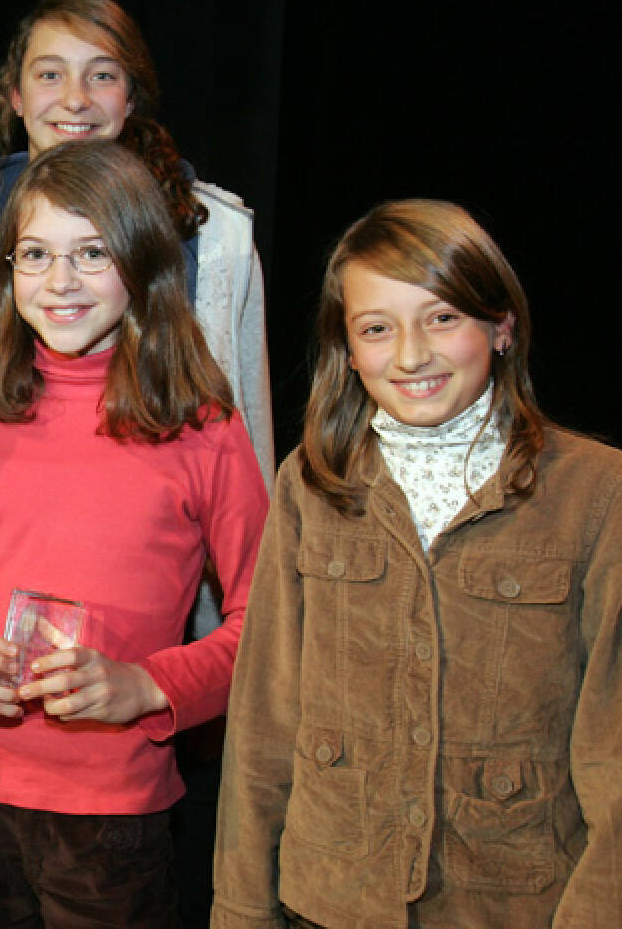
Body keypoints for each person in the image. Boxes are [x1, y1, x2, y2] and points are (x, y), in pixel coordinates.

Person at [211, 201, 622, 927]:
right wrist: (241, 910)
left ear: (501, 326)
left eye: (442, 319)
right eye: (377, 329)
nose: (410, 356)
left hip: (513, 906)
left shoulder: (597, 491)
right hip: (328, 902)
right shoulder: (311, 482)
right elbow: (263, 725)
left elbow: (611, 754)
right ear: (347, 348)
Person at [0, 141, 269, 928]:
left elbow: (268, 626)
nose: (60, 281)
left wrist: (149, 687)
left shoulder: (206, 434)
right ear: (8, 270)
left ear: (143, 262)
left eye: (91, 253)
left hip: (116, 821)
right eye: (35, 254)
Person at [0, 0, 272, 489]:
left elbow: (248, 410)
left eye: (102, 76)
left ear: (130, 98)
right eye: (50, 74)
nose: (76, 99)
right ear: (15, 95)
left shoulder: (214, 232)